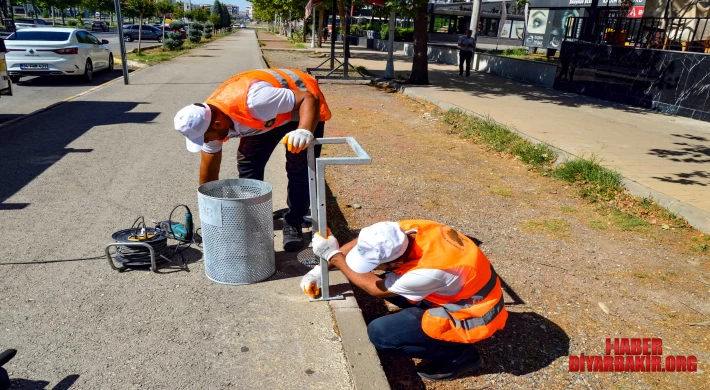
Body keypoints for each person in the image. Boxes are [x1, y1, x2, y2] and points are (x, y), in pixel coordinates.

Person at [302, 220, 508, 381]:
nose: (373, 268)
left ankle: (460, 355)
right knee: (390, 283)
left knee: (381, 334)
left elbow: (377, 289)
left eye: (377, 264)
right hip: (466, 291)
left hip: (472, 312)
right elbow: (364, 242)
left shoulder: (428, 271)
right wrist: (321, 269)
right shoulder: (408, 230)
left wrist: (335, 257)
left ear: (398, 262)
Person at [174, 68, 331, 252]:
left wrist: (305, 130)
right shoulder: (208, 120)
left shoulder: (256, 102)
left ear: (218, 124)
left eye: (206, 138)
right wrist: (210, 214)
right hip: (267, 118)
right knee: (248, 163)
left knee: (299, 165)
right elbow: (209, 172)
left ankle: (294, 221)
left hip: (302, 106)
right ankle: (253, 220)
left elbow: (308, 99)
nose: (206, 142)